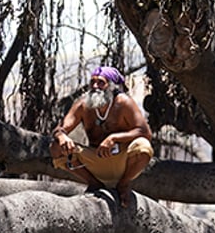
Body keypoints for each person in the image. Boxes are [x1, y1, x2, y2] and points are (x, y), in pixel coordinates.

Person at [51, 66, 153, 207]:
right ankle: (94, 183)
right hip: (95, 162)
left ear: (111, 86)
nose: (95, 86)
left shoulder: (123, 103)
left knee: (143, 146)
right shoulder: (83, 104)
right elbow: (60, 128)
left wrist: (114, 138)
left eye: (100, 82)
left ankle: (123, 185)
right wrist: (62, 136)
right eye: (92, 82)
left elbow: (145, 132)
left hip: (122, 162)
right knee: (56, 147)